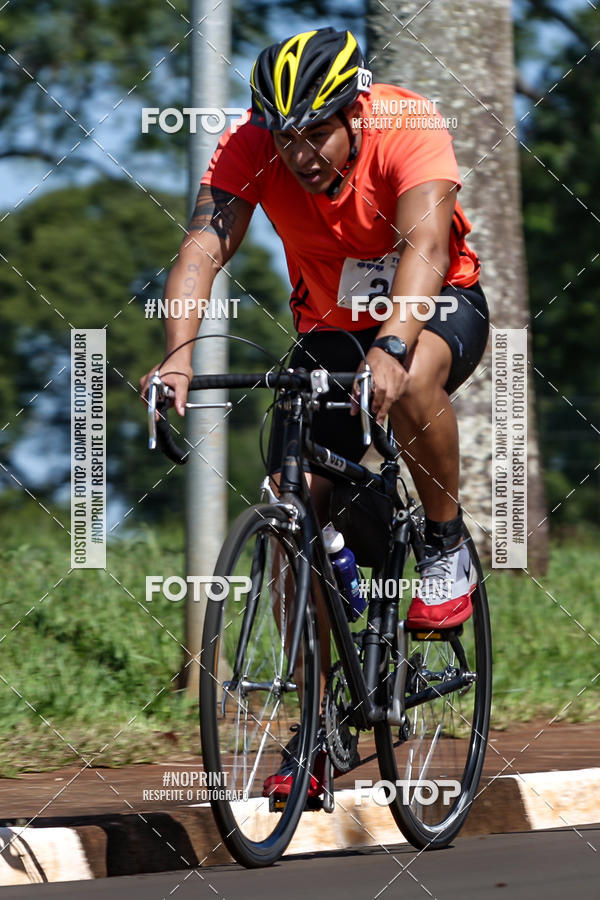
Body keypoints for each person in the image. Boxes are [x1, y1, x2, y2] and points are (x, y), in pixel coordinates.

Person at [140, 27, 489, 797]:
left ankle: (441, 543)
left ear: (357, 111)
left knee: (415, 376)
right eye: (285, 134)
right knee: (290, 508)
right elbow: (201, 249)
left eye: (318, 131)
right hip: (331, 330)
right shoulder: (248, 148)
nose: (300, 153)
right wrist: (177, 352)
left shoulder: (407, 123)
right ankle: (318, 723)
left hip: (434, 307)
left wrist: (395, 343)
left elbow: (427, 242)